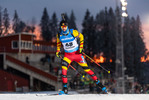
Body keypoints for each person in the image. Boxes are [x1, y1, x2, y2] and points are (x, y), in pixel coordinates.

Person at [56, 19, 107, 94]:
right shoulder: (59, 35)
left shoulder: (72, 32)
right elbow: (59, 44)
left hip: (77, 54)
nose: (64, 28)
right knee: (63, 70)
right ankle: (65, 89)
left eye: (65, 26)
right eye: (62, 26)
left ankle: (100, 85)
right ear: (60, 27)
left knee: (87, 70)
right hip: (67, 56)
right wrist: (58, 51)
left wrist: (81, 48)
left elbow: (81, 37)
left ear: (67, 26)